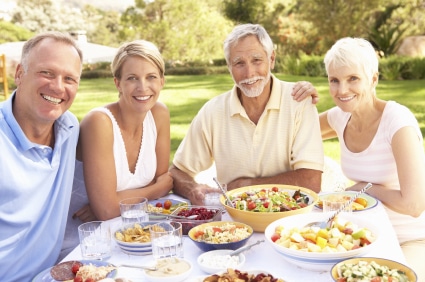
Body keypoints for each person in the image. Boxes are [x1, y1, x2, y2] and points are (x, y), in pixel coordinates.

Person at [169, 23, 324, 205]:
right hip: (233, 224)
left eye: (257, 60)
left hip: (288, 219)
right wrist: (192, 189)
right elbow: (177, 171)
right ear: (229, 66)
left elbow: (311, 181)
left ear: (271, 59)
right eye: (239, 63)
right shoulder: (212, 111)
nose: (249, 73)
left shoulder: (299, 102)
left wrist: (245, 186)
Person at [317, 37, 425, 279]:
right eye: (334, 80)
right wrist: (301, 98)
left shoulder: (398, 123)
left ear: (373, 79)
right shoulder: (339, 117)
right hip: (362, 235)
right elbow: (296, 131)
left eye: (353, 79)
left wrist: (368, 190)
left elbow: (414, 205)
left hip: (412, 239)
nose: (342, 90)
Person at [59, 40, 173, 260]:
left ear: (162, 81)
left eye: (151, 77)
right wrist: (112, 204)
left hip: (132, 230)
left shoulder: (159, 114)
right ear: (117, 83)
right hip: (82, 238)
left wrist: (115, 203)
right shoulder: (99, 122)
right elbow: (160, 187)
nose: (142, 87)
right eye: (132, 78)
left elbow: (161, 181)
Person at [0, 32, 82, 281]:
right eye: (47, 73)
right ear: (19, 74)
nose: (58, 87)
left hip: (51, 274)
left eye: (69, 78)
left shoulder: (69, 128)